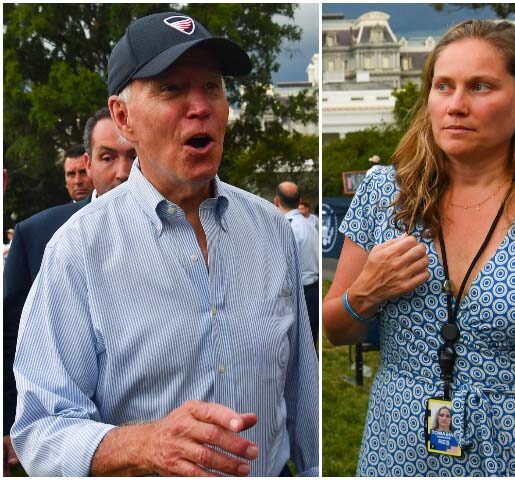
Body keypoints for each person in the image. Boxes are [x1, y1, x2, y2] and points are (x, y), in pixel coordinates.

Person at [11, 12, 318, 477]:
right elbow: (39, 428)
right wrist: (142, 444)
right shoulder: (77, 249)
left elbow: (302, 391)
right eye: (172, 89)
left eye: (212, 86)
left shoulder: (270, 230)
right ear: (123, 117)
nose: (201, 107)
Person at [323, 19, 515, 477]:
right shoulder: (386, 194)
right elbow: (337, 329)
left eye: (480, 87)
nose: (456, 105)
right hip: (397, 452)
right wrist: (365, 292)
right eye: (443, 86)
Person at [3, 107, 136, 475]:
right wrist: (9, 421)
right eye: (108, 157)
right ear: (88, 164)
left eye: (133, 156)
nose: (122, 172)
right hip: (59, 443)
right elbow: (10, 335)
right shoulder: (39, 234)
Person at [275, 182, 320, 349]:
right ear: (299, 200)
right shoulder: (309, 223)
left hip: (298, 295)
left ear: (276, 201)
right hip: (311, 291)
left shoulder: (287, 226)